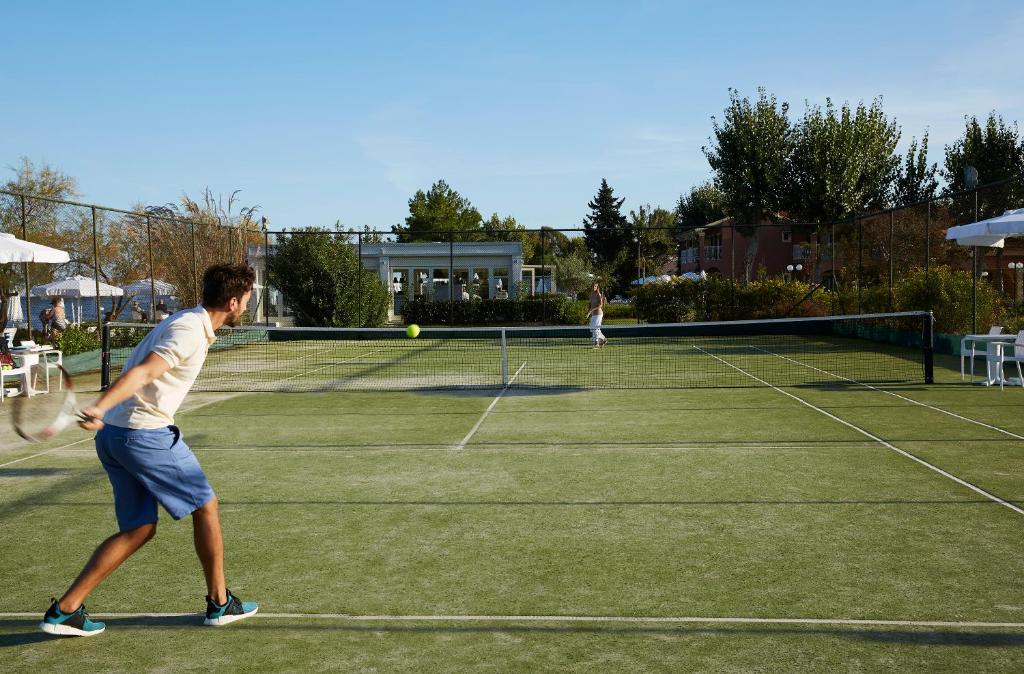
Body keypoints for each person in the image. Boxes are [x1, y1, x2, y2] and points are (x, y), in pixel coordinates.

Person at [39, 263, 259, 637]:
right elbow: (144, 372)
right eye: (249, 299)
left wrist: (106, 413)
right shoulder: (189, 331)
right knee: (206, 507)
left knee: (139, 527)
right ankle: (220, 603)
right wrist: (101, 406)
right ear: (234, 302)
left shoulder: (188, 321)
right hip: (143, 434)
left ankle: (66, 610)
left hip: (114, 437)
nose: (250, 305)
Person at [586, 281, 607, 348]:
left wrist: (592, 310)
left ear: (597, 287)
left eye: (595, 286)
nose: (593, 287)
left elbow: (601, 305)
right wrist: (588, 312)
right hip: (593, 314)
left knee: (595, 328)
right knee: (592, 328)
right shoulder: (591, 294)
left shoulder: (599, 294)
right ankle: (603, 339)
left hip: (599, 314)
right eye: (592, 286)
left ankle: (596, 343)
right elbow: (590, 304)